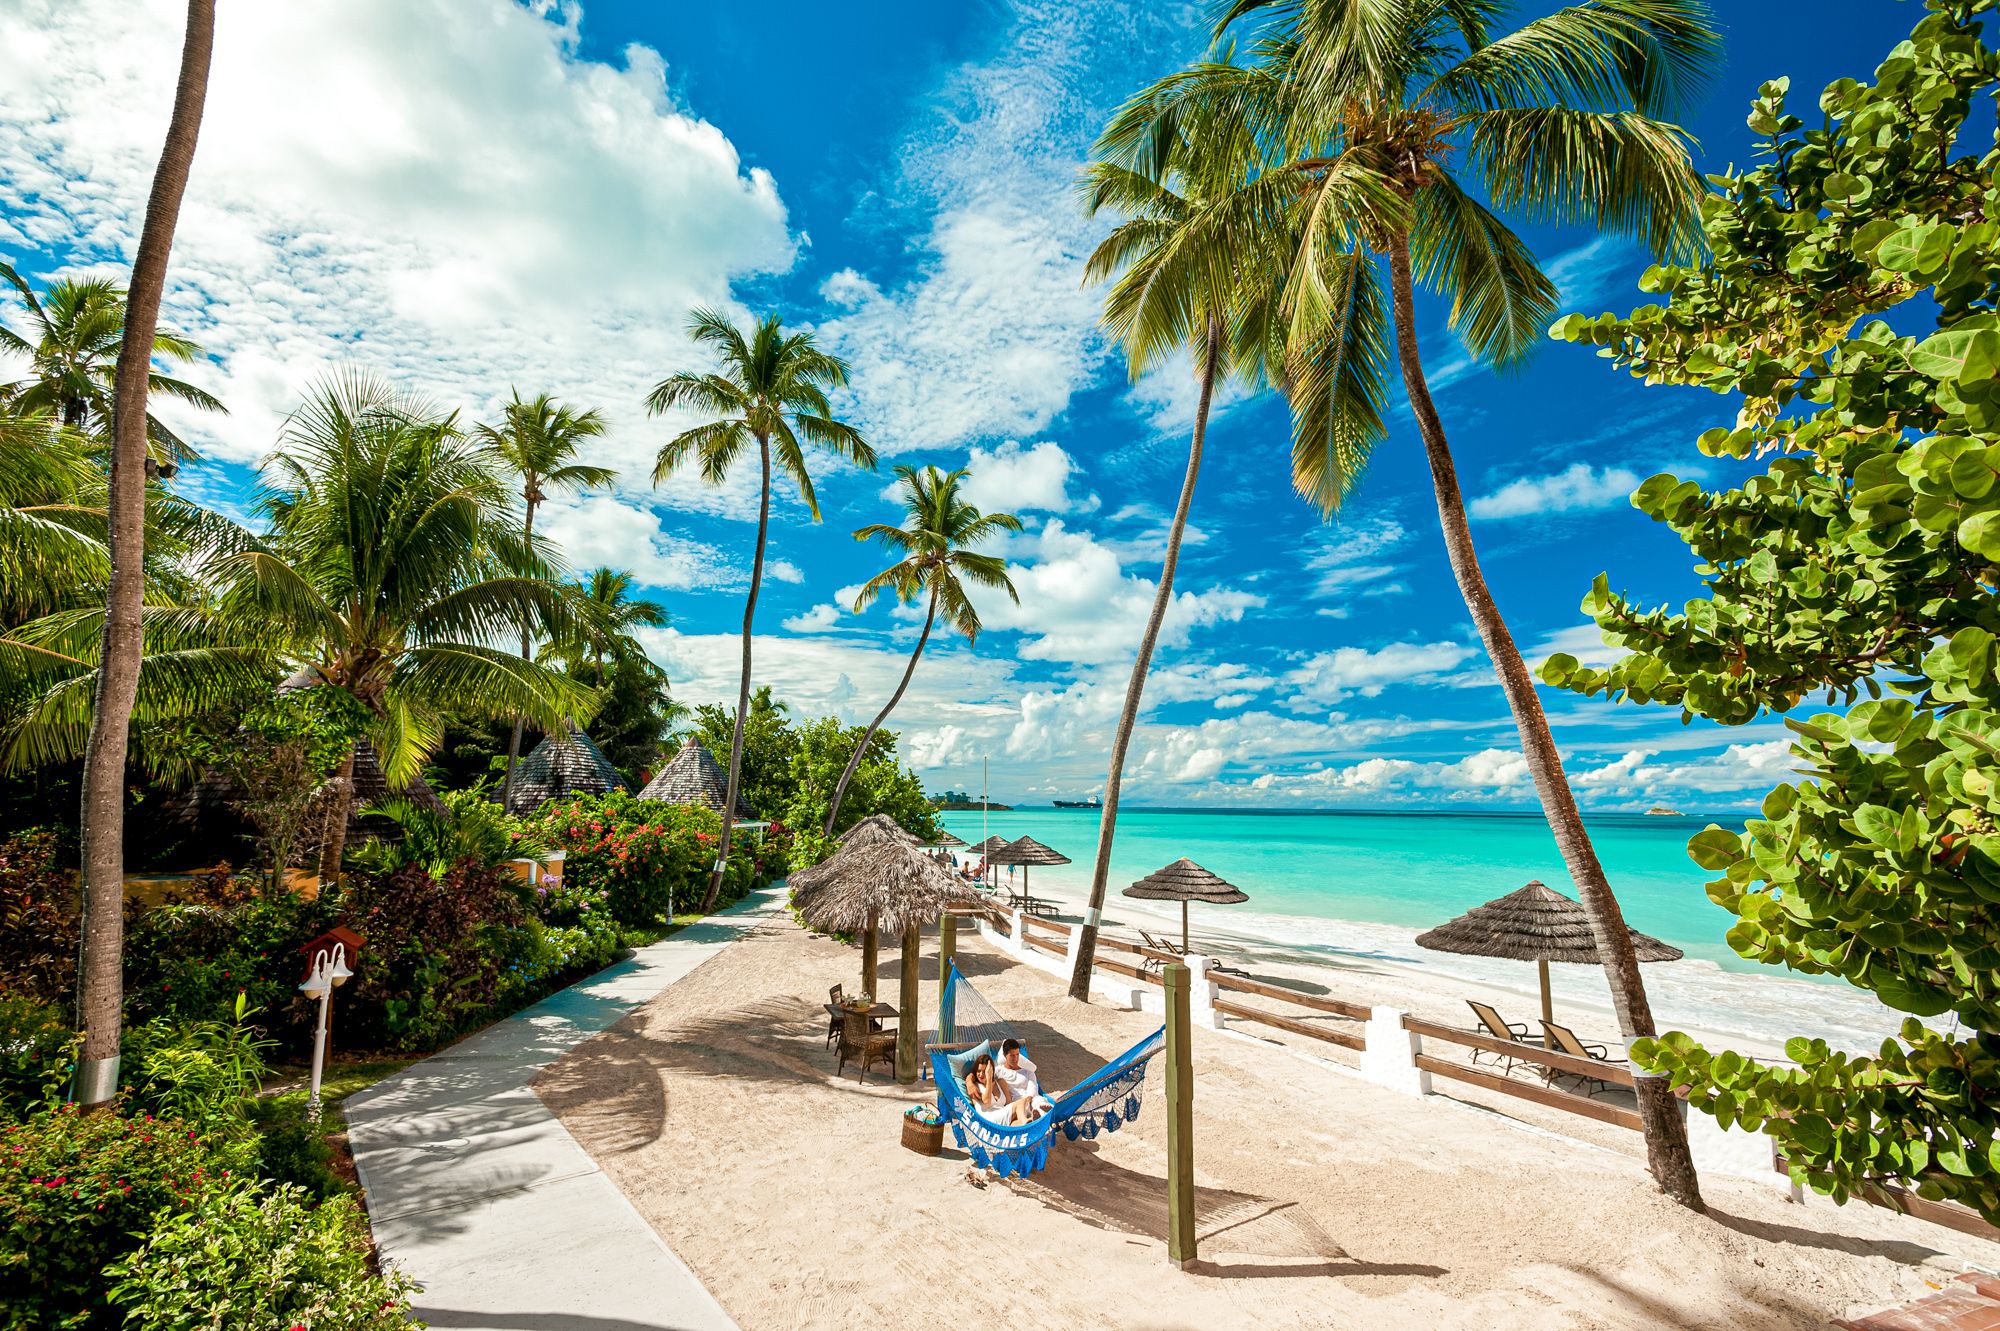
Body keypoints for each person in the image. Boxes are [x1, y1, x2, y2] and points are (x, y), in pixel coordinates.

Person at [964, 1052, 1041, 1126]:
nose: (981, 1075)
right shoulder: (974, 1086)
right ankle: (1025, 1121)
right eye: (979, 1071)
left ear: (992, 1071)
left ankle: (1029, 1125)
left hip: (1002, 1118)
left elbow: (1009, 1103)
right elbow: (987, 1102)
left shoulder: (1000, 1082)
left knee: (1015, 1123)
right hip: (988, 1120)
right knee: (1021, 1102)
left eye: (984, 1071)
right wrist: (988, 1077)